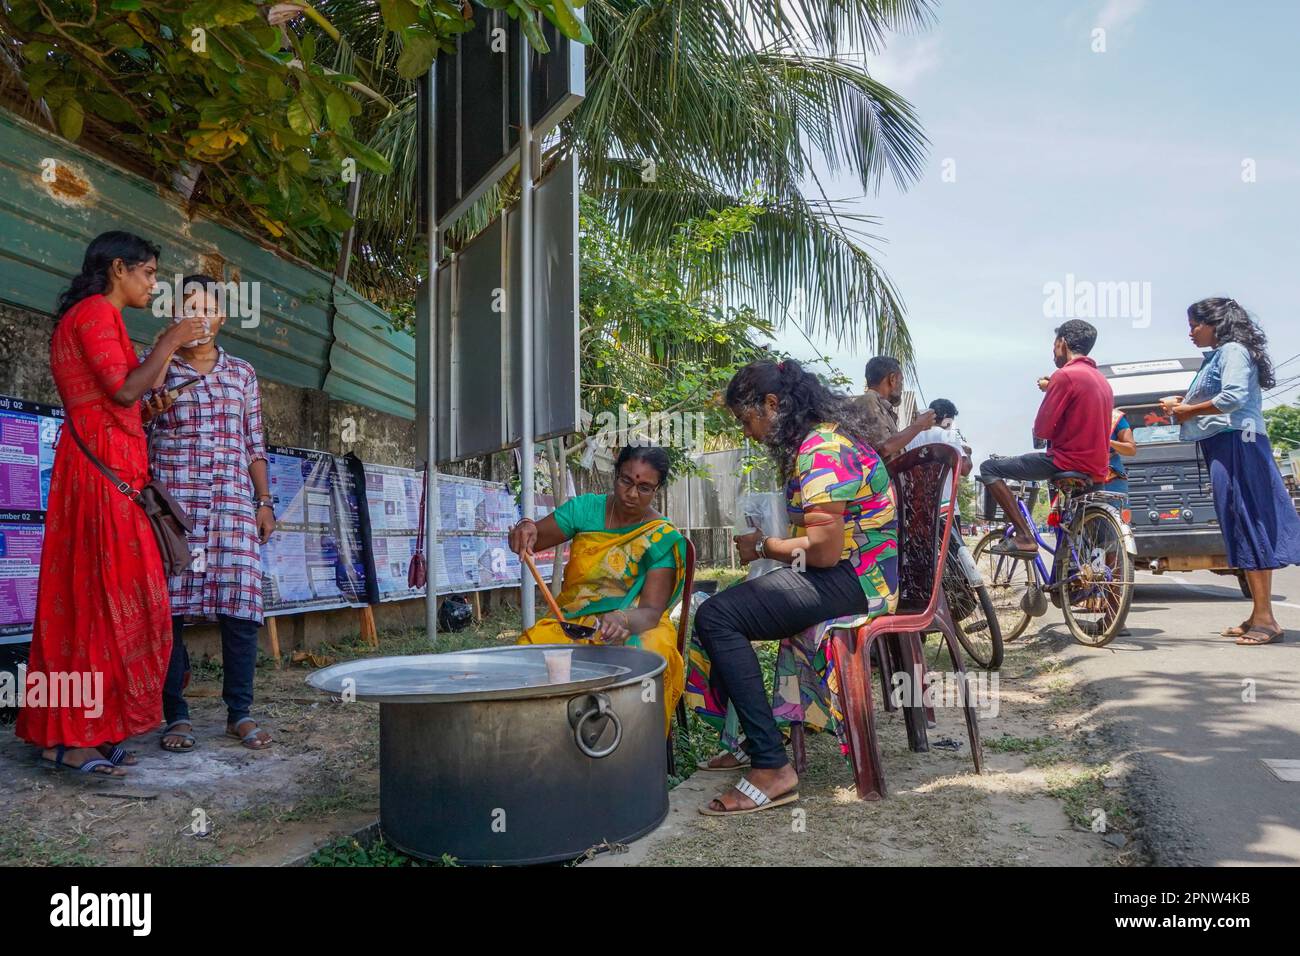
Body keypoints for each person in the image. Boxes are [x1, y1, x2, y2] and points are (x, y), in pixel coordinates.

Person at [16, 232, 207, 776]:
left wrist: (149, 409)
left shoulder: (91, 316)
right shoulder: (97, 313)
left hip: (102, 473)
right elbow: (124, 391)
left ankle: (78, 733)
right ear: (118, 268)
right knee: (105, 603)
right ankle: (75, 738)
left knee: (89, 602)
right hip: (102, 483)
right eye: (147, 273)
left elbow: (118, 404)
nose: (153, 283)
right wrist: (169, 342)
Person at [693, 359, 898, 815]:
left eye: (748, 420)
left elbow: (823, 550)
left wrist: (765, 546)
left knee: (717, 616)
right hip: (844, 573)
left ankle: (771, 767)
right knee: (716, 609)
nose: (749, 433)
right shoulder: (815, 443)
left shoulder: (821, 449)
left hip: (859, 579)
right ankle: (752, 743)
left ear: (772, 404)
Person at [149, 276, 276, 752]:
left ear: (222, 318)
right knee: (169, 611)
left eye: (207, 309)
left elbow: (254, 442)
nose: (198, 318)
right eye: (188, 309)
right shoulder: (156, 365)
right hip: (172, 508)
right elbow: (135, 420)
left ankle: (238, 713)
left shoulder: (242, 373)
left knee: (241, 606)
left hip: (231, 505)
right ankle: (175, 716)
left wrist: (264, 503)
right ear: (174, 318)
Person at [510, 446, 688, 728]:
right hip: (574, 621)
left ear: (657, 490)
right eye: (626, 481)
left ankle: (639, 740)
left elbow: (652, 611)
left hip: (637, 622)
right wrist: (524, 528)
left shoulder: (661, 536)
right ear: (615, 475)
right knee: (528, 652)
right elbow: (530, 539)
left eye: (644, 487)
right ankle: (544, 733)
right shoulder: (585, 509)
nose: (631, 493)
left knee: (649, 655)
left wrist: (622, 619)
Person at [1163, 298, 1300, 646]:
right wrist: (1185, 405)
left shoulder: (1232, 350)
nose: (1191, 331)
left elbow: (1233, 397)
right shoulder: (1225, 354)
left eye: (1195, 324)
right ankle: (1258, 613)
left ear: (1216, 323)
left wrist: (1186, 410)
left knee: (1247, 521)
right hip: (1230, 443)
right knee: (1240, 521)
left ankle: (1267, 620)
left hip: (1238, 443)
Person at [978, 320, 1113, 556]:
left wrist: (1051, 391)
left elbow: (1042, 430)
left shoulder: (1065, 375)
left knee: (989, 468)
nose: (1053, 350)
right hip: (1096, 469)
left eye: (1054, 344)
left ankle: (1024, 536)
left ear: (1062, 342)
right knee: (1078, 536)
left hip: (1066, 462)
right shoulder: (1101, 380)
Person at [860, 355, 937, 458]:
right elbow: (885, 448)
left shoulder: (881, 407)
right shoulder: (868, 400)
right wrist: (919, 425)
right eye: (901, 382)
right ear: (892, 379)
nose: (901, 388)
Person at [1103, 408, 1136, 498]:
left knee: (1115, 509)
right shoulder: (1072, 413)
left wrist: (1108, 441)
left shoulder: (1114, 416)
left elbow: (1131, 449)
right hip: (1080, 475)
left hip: (1111, 475)